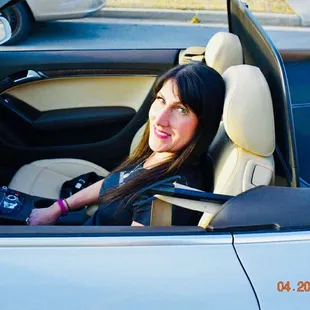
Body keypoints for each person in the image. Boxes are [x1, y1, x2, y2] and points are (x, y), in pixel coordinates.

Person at [29, 63, 225, 226]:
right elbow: (118, 180)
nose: (160, 119)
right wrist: (58, 208)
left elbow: (128, 259)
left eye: (181, 109)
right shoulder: (164, 152)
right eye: (161, 100)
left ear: (204, 123)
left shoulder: (168, 197)